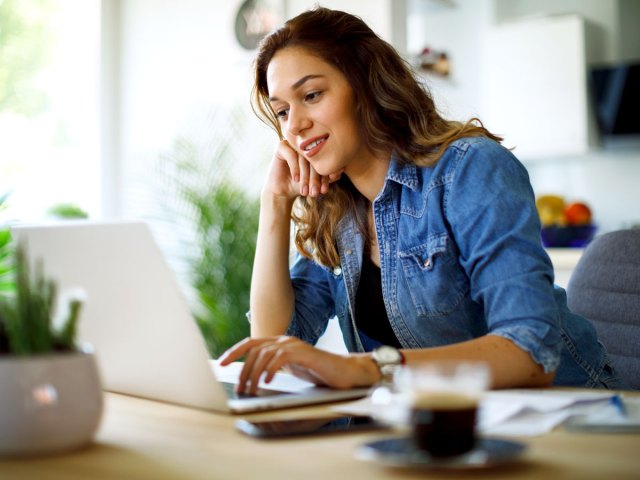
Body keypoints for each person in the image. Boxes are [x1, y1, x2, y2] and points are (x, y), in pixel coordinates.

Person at [220, 7, 627, 394]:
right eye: (282, 112)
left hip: (563, 420)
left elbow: (530, 351)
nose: (296, 126)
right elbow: (276, 345)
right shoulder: (337, 207)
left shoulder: (469, 170)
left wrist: (366, 370)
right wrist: (274, 205)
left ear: (364, 83)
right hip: (430, 427)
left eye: (311, 95)